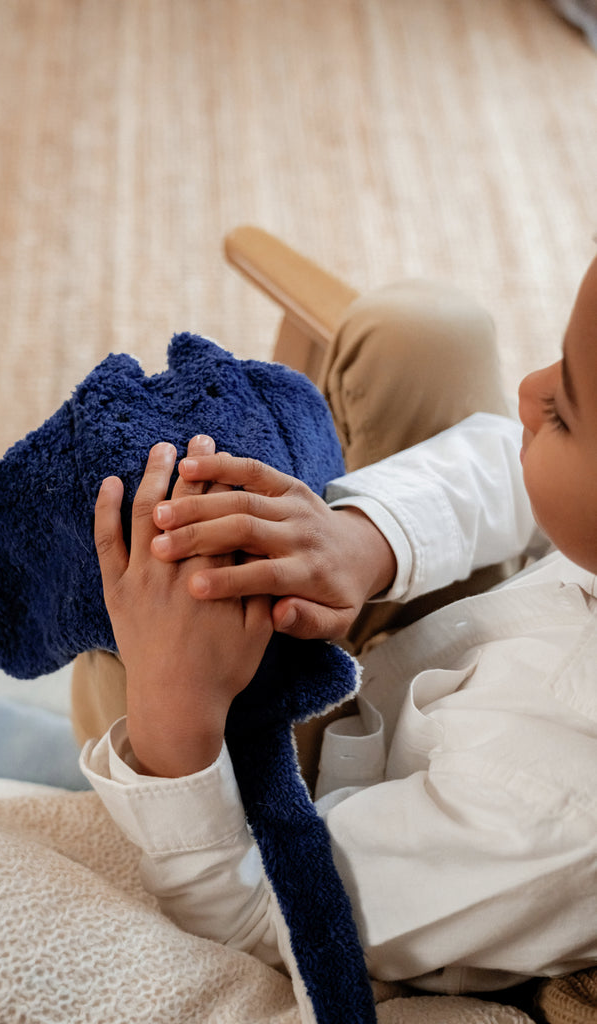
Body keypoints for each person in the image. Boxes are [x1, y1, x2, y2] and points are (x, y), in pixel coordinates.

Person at [78, 258, 597, 998]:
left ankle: (67, 760)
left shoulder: (553, 817)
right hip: (429, 654)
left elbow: (262, 915)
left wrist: (175, 713)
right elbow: (516, 476)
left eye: (564, 412)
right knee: (424, 334)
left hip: (311, 812)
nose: (527, 388)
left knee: (139, 616)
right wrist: (365, 539)